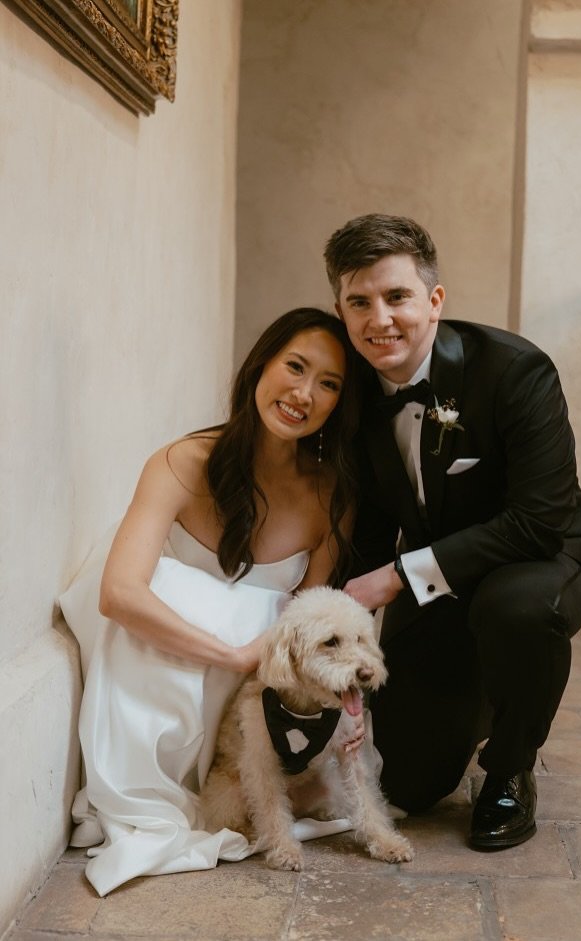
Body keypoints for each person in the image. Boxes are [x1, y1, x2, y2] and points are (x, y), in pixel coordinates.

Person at [323, 214, 581, 851]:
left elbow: (538, 520)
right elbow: (368, 525)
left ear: (434, 300)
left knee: (516, 610)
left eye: (397, 296)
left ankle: (509, 765)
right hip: (441, 580)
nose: (380, 319)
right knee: (407, 782)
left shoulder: (515, 370)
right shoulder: (350, 392)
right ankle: (482, 685)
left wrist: (398, 577)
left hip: (543, 556)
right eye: (360, 302)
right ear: (341, 311)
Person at [59, 308, 363, 896]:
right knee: (186, 590)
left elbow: (314, 616)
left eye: (328, 384)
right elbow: (118, 593)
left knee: (267, 613)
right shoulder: (181, 461)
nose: (304, 394)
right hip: (163, 659)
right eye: (295, 367)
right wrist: (233, 655)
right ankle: (159, 779)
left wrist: (344, 698)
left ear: (339, 405)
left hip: (250, 694)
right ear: (260, 365)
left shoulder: (331, 494)